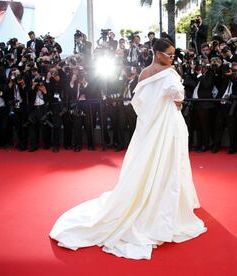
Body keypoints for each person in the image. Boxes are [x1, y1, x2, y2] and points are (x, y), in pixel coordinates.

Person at [49, 38, 207, 260]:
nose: (172, 57)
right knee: (169, 161)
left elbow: (138, 103)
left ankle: (158, 198)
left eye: (172, 54)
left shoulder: (143, 74)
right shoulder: (170, 73)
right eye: (169, 53)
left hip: (150, 127)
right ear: (157, 52)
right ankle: (164, 206)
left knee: (153, 162)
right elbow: (178, 96)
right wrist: (175, 102)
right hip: (168, 125)